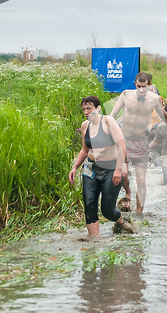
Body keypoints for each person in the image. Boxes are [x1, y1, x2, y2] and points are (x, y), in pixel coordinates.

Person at [110, 72, 167, 213]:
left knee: (141, 180)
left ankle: (139, 212)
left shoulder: (155, 99)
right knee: (123, 174)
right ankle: (128, 192)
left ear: (149, 85)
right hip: (125, 141)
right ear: (135, 84)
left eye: (144, 87)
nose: (141, 90)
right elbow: (112, 116)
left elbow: (166, 119)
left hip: (141, 142)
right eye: (139, 86)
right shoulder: (125, 94)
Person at [68, 96, 135, 237]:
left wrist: (118, 170)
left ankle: (122, 223)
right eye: (84, 109)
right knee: (89, 205)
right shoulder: (85, 125)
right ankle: (94, 242)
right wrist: (75, 167)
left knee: (108, 211)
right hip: (90, 169)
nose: (86, 112)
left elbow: (121, 146)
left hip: (111, 169)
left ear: (98, 108)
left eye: (89, 108)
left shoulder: (108, 122)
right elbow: (85, 150)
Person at [148, 103, 167, 185]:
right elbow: (155, 141)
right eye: (166, 114)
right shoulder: (160, 126)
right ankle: (166, 195)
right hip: (166, 156)